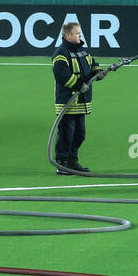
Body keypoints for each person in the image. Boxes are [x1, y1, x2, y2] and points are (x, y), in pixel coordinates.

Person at [52, 22, 105, 174]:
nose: (80, 36)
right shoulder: (60, 54)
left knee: (79, 134)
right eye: (77, 34)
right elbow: (62, 76)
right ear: (67, 35)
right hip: (67, 103)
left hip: (81, 102)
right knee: (66, 135)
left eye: (80, 33)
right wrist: (78, 85)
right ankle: (62, 164)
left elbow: (92, 65)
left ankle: (72, 161)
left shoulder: (83, 52)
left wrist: (98, 72)